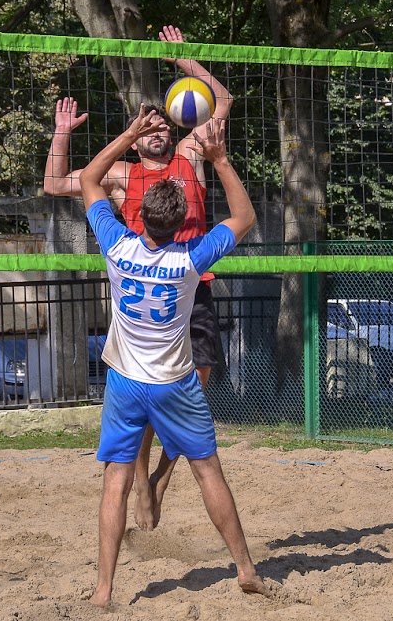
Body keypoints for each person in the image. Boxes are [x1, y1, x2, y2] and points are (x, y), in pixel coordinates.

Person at [43, 25, 233, 532]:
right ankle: (145, 475)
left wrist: (185, 61)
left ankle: (163, 475)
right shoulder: (124, 173)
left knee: (198, 381)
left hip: (194, 283)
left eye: (162, 127)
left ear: (173, 128)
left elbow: (223, 100)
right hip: (144, 289)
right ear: (136, 134)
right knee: (149, 395)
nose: (157, 133)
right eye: (146, 128)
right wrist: (62, 134)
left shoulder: (191, 155)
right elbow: (56, 183)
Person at [79, 106, 266, 607]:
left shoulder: (116, 246)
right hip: (175, 383)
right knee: (209, 472)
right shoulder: (190, 260)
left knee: (114, 484)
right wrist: (221, 160)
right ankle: (245, 567)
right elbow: (244, 217)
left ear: (138, 216)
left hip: (124, 382)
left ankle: (103, 591)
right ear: (184, 219)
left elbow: (92, 180)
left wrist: (130, 133)